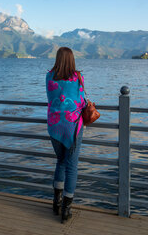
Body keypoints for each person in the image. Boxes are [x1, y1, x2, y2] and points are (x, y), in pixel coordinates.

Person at [46, 47, 86, 223]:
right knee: (72, 166)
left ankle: (56, 202)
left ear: (57, 58)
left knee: (60, 161)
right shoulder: (77, 77)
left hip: (54, 126)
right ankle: (66, 209)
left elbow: (50, 97)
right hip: (72, 126)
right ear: (71, 59)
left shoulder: (49, 76)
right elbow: (82, 101)